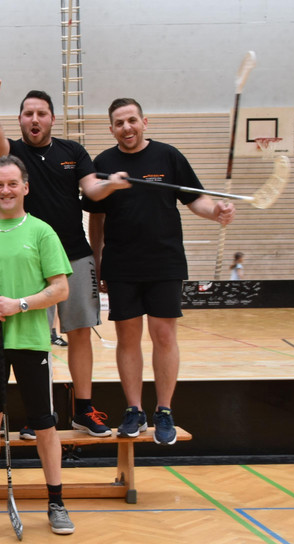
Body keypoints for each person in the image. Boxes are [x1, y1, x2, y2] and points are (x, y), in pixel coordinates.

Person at [84, 98, 235, 446]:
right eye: (119, 123)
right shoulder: (103, 163)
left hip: (165, 261)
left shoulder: (168, 156)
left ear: (144, 122)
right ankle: (134, 410)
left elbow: (195, 199)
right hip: (122, 264)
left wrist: (216, 212)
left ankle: (164, 410)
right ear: (111, 129)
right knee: (127, 338)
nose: (127, 127)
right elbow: (97, 218)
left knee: (164, 336)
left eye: (132, 120)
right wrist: (98, 260)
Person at [0, 81, 126, 439]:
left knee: (80, 334)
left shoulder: (73, 151)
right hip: (31, 262)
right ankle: (40, 412)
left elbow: (91, 189)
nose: (35, 119)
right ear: (19, 119)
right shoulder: (13, 154)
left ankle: (83, 410)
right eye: (28, 114)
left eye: (41, 114)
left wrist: (111, 184)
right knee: (36, 340)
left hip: (75, 256)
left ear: (52, 119)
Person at [0, 155, 75, 535]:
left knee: (44, 424)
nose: (5, 190)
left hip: (31, 342)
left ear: (25, 187)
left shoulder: (42, 232)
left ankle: (56, 502)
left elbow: (60, 288)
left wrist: (18, 304)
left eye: (11, 184)